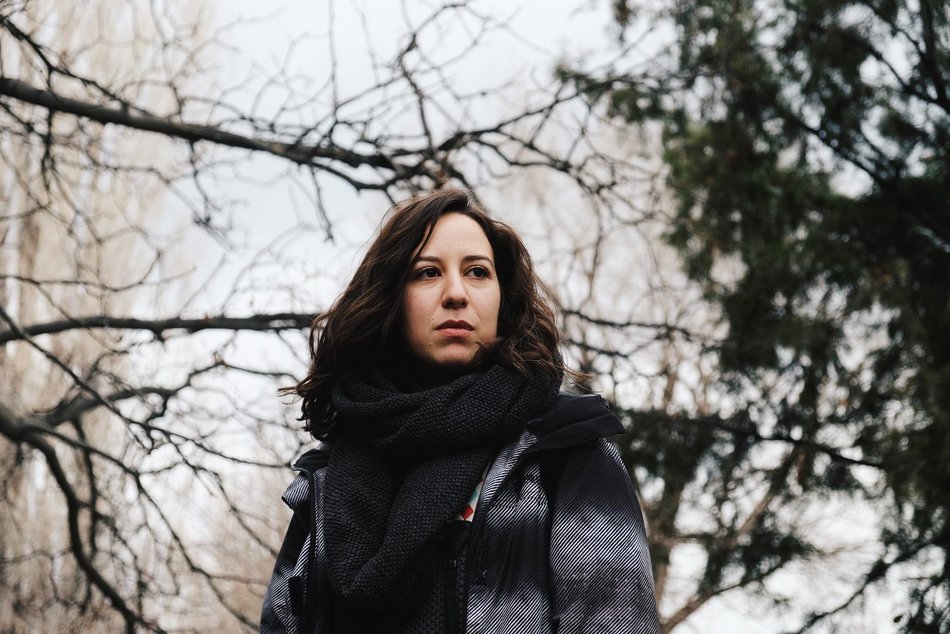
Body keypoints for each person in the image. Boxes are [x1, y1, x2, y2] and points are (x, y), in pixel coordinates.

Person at [260, 189, 659, 633]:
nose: (456, 293)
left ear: (502, 300)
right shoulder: (326, 479)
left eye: (477, 272)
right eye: (428, 273)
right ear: (390, 299)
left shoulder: (563, 449)